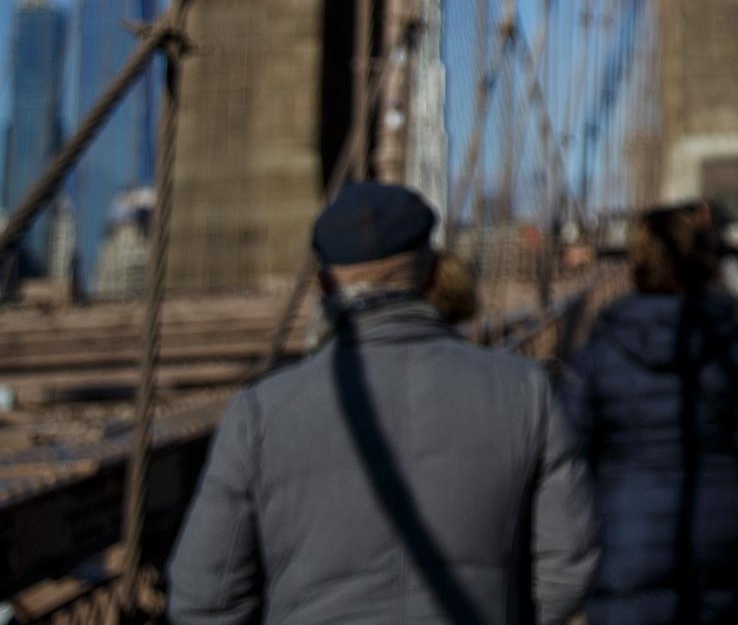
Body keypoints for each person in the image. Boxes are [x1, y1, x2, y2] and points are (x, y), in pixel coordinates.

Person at [165, 182, 597, 625]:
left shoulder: (259, 413)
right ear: (432, 276)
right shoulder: (526, 390)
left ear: (322, 285)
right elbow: (567, 569)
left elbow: (205, 599)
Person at [563, 204, 738, 625]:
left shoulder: (604, 342)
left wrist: (594, 507)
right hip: (718, 525)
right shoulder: (731, 331)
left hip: (623, 530)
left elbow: (572, 442)